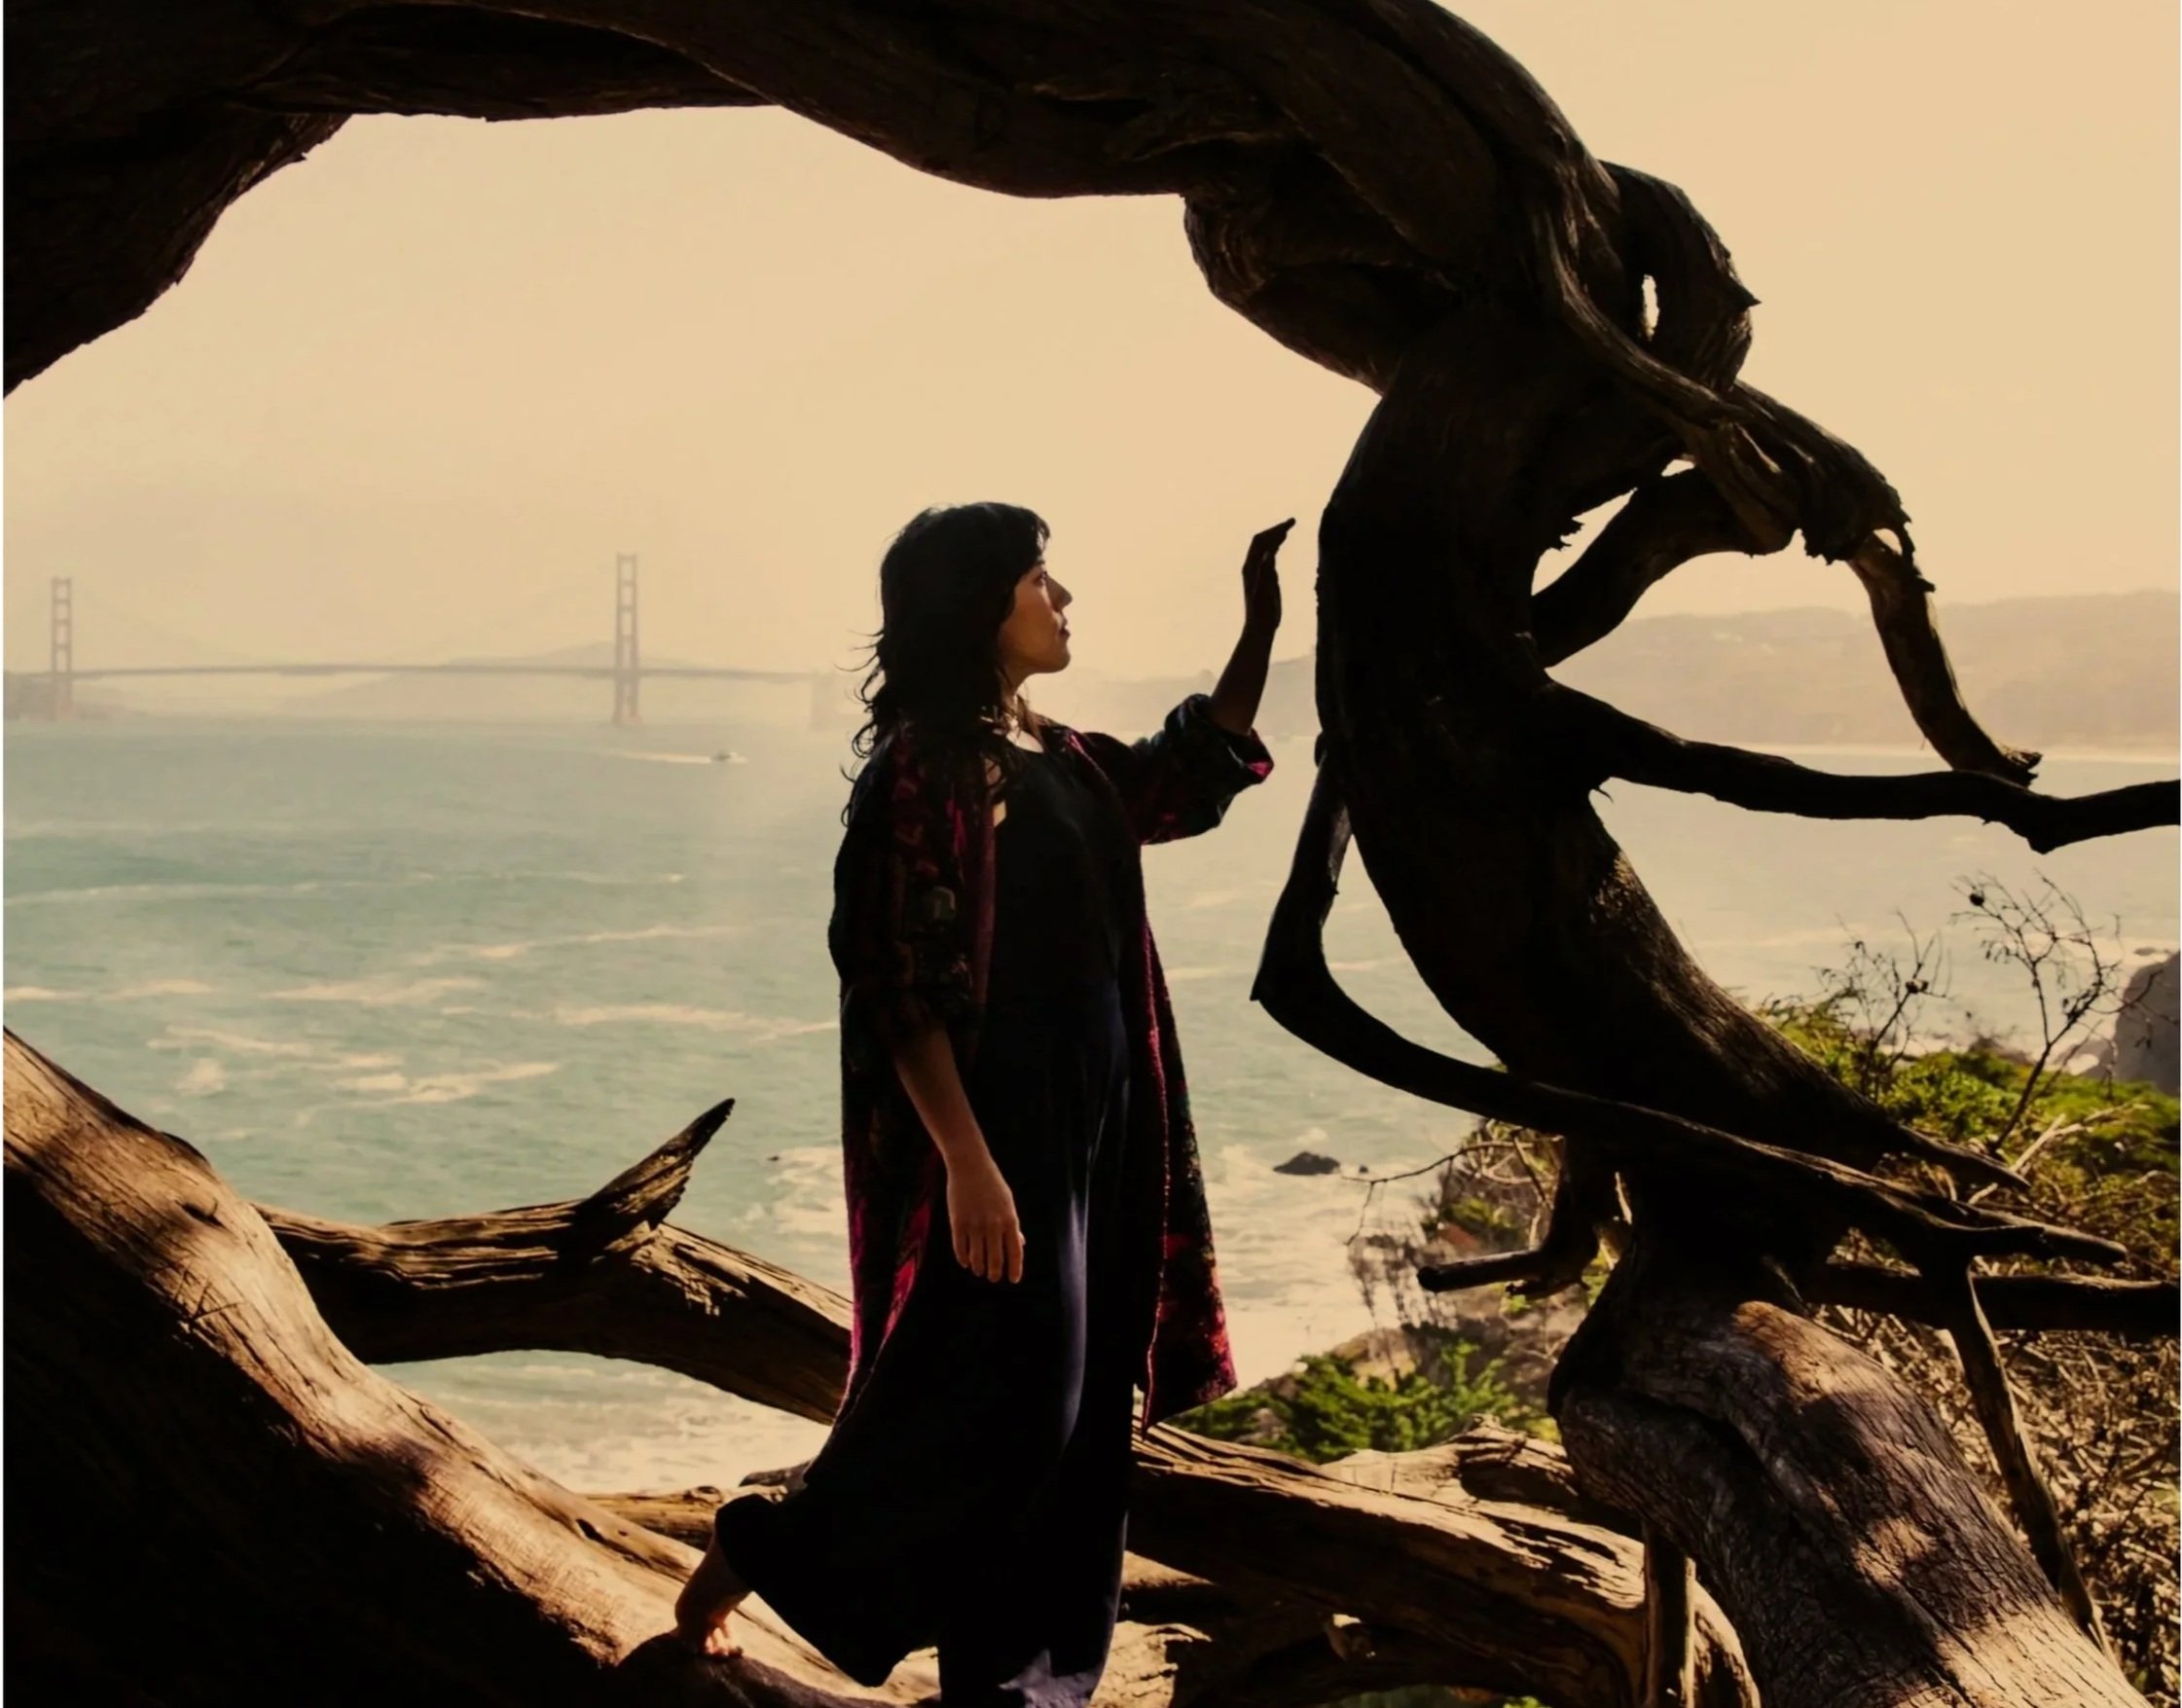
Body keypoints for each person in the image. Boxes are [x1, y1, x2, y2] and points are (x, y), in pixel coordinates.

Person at [673, 501, 1291, 1705]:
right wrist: (967, 1161)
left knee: (1083, 1407)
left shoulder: (1058, 759)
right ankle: (757, 1554)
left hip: (1103, 1135)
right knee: (997, 1405)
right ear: (980, 605)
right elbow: (898, 980)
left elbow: (1184, 778)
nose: (1063, 603)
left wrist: (1260, 623)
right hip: (999, 1138)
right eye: (1041, 582)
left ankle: (1024, 1685)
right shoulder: (928, 770)